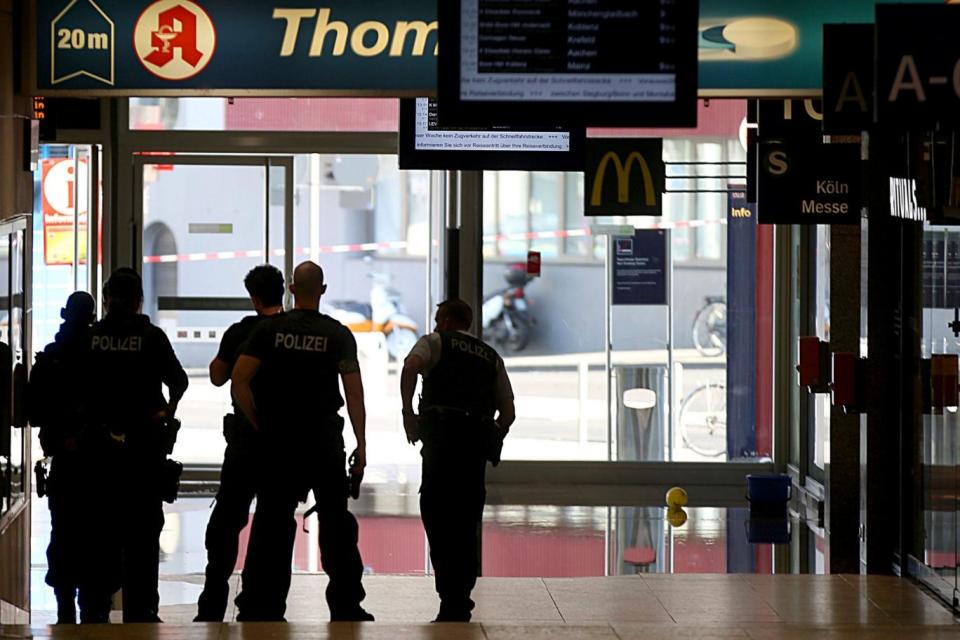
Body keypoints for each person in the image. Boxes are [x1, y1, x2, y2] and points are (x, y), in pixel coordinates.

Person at [231, 261, 372, 622]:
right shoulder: (339, 335)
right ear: (322, 290)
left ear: (292, 289)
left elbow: (239, 380)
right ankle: (346, 604)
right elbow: (353, 393)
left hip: (279, 442)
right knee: (337, 525)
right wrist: (361, 443)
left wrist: (258, 423)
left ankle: (262, 604)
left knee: (272, 524)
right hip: (324, 441)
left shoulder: (270, 331)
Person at [400, 299, 515, 622]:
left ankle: (448, 592)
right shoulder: (492, 357)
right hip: (474, 446)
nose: (435, 325)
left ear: (449, 320)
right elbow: (508, 412)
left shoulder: (435, 342)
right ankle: (460, 596)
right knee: (466, 520)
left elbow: (410, 366)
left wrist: (409, 413)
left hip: (441, 442)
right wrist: (493, 435)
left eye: (438, 319)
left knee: (436, 513)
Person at [87, 269, 188, 623]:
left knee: (101, 533)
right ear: (138, 300)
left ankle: (97, 608)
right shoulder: (151, 337)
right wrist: (165, 411)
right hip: (144, 453)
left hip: (97, 454)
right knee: (143, 535)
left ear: (106, 298)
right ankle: (142, 609)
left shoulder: (92, 337)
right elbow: (179, 381)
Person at [194, 265, 285, 622]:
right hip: (283, 444)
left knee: (227, 522)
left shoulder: (241, 331)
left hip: (246, 441)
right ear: (283, 292)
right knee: (272, 523)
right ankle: (261, 601)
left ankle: (213, 601)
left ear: (254, 296)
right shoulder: (292, 331)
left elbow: (218, 376)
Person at [28, 292, 112, 623]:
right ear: (93, 316)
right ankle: (94, 605)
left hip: (63, 460)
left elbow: (34, 413)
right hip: (99, 460)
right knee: (98, 532)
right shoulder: (102, 356)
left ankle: (65, 601)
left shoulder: (50, 358)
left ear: (64, 314)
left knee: (63, 531)